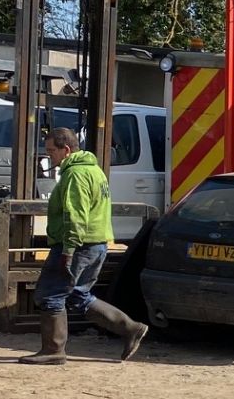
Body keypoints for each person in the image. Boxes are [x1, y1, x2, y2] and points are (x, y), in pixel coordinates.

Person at [20, 126, 147, 365]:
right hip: (96, 244)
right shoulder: (94, 171)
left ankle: (53, 350)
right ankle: (130, 328)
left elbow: (75, 214)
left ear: (65, 150)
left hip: (77, 245)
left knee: (51, 295)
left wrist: (68, 249)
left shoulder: (75, 175)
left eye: (51, 151)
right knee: (79, 294)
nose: (49, 157)